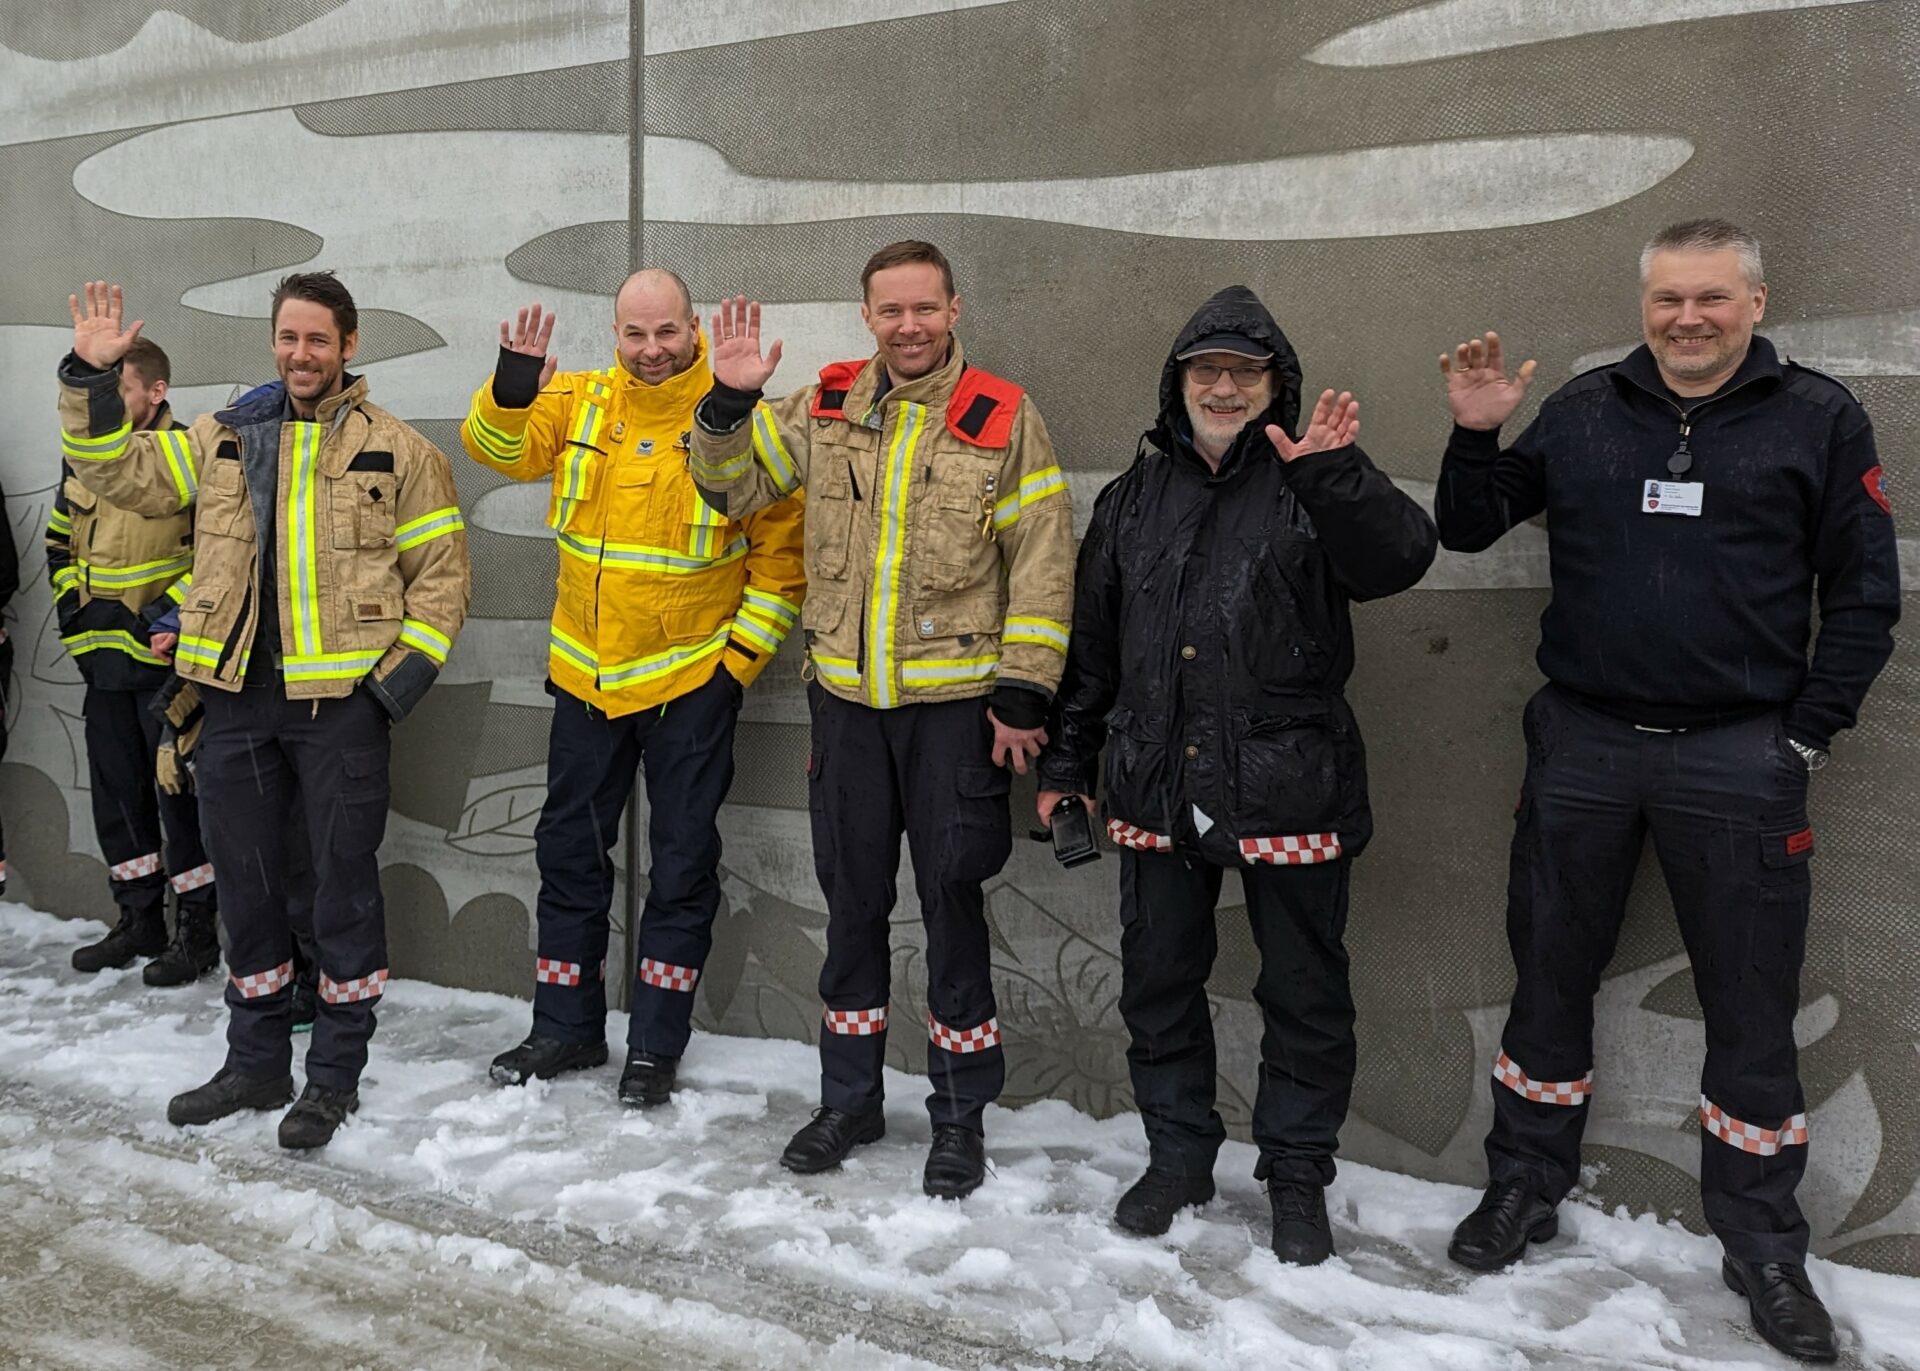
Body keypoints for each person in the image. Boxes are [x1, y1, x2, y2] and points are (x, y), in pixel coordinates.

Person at [1434, 219, 1899, 1364]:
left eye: (1712, 298)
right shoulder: (1588, 409)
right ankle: (1524, 1187)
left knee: (1749, 1009)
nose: (1688, 318)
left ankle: (1763, 1243)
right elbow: (1468, 520)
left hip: (1740, 758)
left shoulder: (1820, 418)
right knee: (1548, 975)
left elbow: (1867, 597)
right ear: (1644, 306)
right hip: (1583, 747)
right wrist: (1475, 436)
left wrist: (1802, 739)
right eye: (1668, 300)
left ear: (1755, 299)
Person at [1036, 285, 1436, 1263]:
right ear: (1177, 384)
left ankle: (1296, 1176)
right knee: (1159, 983)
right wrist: (1066, 760)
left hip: (1289, 785)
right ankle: (1177, 1157)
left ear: (1273, 384)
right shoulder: (1131, 500)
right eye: (1205, 369)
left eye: (1243, 371)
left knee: (1304, 993)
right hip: (1153, 785)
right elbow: (1093, 651)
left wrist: (1338, 480)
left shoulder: (1314, 475)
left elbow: (1402, 559)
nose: (1223, 386)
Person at [688, 241, 1074, 1198]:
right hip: (850, 708)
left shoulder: (1000, 413)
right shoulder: (825, 406)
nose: (909, 326)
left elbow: (1043, 555)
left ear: (955, 308)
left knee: (952, 910)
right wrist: (728, 403)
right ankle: (848, 1101)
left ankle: (958, 1118)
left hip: (953, 715)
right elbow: (730, 486)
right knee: (853, 909)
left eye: (925, 309)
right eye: (891, 310)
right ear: (867, 315)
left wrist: (1026, 687)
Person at [59, 274, 471, 1149]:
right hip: (235, 702)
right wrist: (92, 380)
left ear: (349, 345)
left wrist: (386, 693)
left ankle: (332, 1078)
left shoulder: (399, 450)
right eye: (288, 337)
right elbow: (119, 473)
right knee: (246, 887)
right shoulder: (221, 435)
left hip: (339, 712)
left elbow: (441, 587)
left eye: (318, 339)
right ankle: (254, 1064)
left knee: (338, 892)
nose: (300, 354)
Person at [460, 269, 805, 1106]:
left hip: (690, 685)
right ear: (616, 335)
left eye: (667, 333)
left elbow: (781, 567)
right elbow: (496, 449)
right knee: (569, 856)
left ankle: (654, 1043)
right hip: (587, 679)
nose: (651, 351)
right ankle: (565, 1025)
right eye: (635, 335)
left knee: (682, 867)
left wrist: (731, 675)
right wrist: (509, 386)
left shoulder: (739, 422)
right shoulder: (580, 401)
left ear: (693, 329)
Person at [46, 337, 221, 985]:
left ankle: (196, 933)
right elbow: (59, 542)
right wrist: (74, 616)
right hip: (101, 667)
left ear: (156, 393)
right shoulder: (84, 459)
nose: (110, 404)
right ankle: (139, 919)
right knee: (119, 801)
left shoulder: (188, 458)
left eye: (120, 391)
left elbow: (215, 555)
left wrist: (160, 616)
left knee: (179, 802)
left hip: (165, 671)